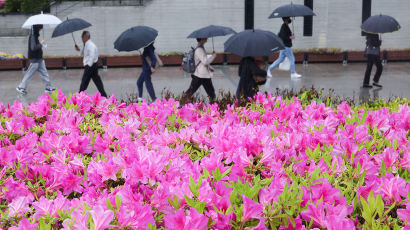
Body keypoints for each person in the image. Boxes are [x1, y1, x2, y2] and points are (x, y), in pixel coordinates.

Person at [16, 24, 55, 95]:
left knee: (44, 73)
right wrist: (41, 44)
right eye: (40, 28)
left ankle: (48, 87)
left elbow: (35, 47)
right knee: (29, 74)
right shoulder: (33, 36)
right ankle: (21, 87)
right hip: (35, 59)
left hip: (39, 59)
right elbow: (33, 48)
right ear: (37, 28)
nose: (40, 30)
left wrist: (40, 45)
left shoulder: (35, 36)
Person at [75, 31, 107, 97]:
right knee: (97, 81)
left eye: (82, 37)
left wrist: (88, 66)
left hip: (91, 66)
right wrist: (78, 49)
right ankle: (104, 95)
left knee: (84, 81)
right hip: (92, 66)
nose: (82, 39)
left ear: (86, 37)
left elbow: (92, 56)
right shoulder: (87, 44)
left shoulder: (91, 45)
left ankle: (80, 96)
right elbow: (84, 53)